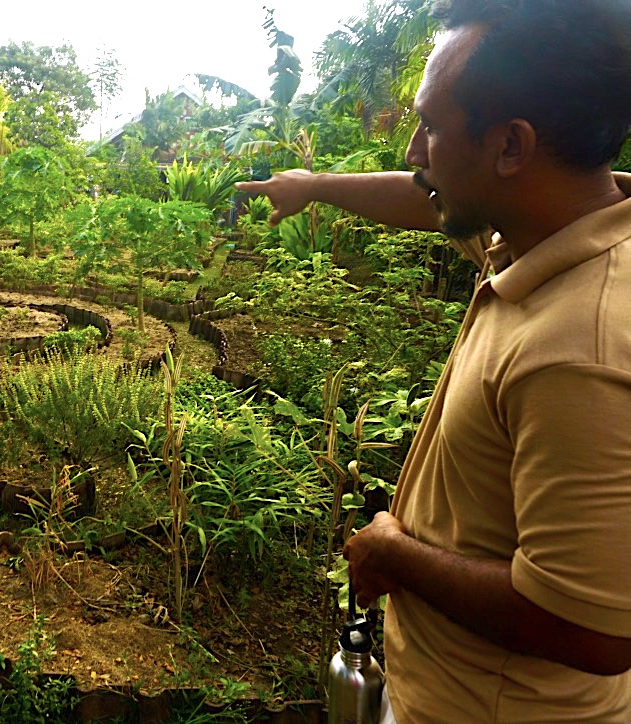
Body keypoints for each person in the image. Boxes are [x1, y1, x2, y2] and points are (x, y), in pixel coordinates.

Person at [237, 1, 631, 720]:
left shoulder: (583, 347)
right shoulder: (543, 230)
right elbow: (430, 199)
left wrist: (396, 556)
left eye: (431, 126)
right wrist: (312, 185)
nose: (415, 152)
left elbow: (595, 629)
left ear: (511, 147)